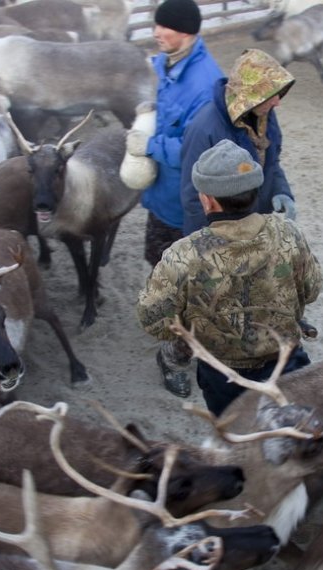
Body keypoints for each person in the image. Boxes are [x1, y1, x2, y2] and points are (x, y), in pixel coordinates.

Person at [136, 139, 322, 416]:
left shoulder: (184, 255)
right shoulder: (288, 233)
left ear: (207, 200)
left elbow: (153, 321)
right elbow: (312, 289)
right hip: (287, 367)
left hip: (223, 377)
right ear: (255, 190)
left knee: (238, 445)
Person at [125, 0, 224, 398]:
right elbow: (174, 119)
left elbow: (196, 148)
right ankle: (167, 319)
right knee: (159, 265)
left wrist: (150, 143)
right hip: (163, 198)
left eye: (164, 27)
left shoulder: (205, 83)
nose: (156, 32)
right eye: (156, 25)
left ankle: (173, 356)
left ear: (186, 31)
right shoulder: (167, 66)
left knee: (192, 288)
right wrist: (151, 112)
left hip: (190, 205)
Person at [180, 48, 297, 237]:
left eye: (279, 92)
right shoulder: (204, 129)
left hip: (255, 228)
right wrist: (207, 247)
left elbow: (272, 162)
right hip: (224, 238)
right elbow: (194, 198)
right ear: (249, 94)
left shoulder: (264, 115)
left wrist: (281, 190)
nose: (277, 102)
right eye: (271, 94)